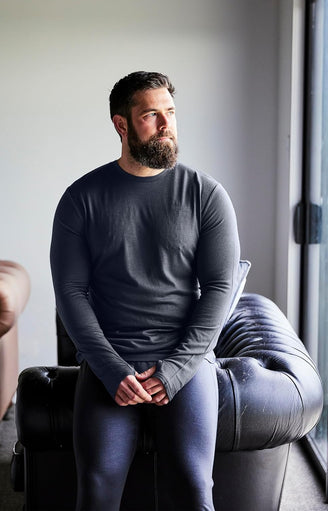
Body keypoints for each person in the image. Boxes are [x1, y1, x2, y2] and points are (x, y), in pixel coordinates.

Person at [50, 71, 241, 511]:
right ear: (122, 124)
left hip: (185, 362)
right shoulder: (81, 198)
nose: (165, 125)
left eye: (170, 113)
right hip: (110, 365)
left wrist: (176, 369)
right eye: (150, 115)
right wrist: (111, 369)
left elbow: (218, 289)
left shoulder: (206, 195)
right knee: (96, 490)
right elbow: (71, 293)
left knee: (195, 489)